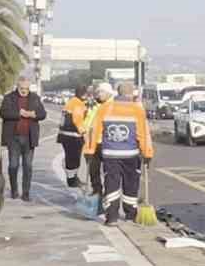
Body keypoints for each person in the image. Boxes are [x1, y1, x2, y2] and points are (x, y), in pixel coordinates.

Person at [84, 80, 154, 225]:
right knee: (131, 184)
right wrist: (147, 154)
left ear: (118, 92)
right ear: (131, 93)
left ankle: (112, 217)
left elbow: (95, 131)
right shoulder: (137, 110)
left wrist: (90, 150)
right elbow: (143, 134)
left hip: (110, 154)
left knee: (112, 184)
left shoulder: (105, 108)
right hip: (131, 154)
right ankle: (130, 214)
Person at [0, 76, 47, 202]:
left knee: (28, 166)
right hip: (13, 138)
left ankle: (26, 193)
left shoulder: (35, 98)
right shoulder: (9, 98)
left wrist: (33, 114)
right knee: (13, 165)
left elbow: (43, 114)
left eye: (26, 88)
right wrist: (18, 113)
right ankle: (14, 190)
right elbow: (3, 113)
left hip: (29, 138)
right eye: (22, 88)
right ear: (17, 87)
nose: (24, 91)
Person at [57, 87, 91, 188]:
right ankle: (72, 181)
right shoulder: (77, 104)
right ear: (84, 95)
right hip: (73, 136)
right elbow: (77, 120)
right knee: (74, 159)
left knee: (70, 158)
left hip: (65, 135)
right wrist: (84, 133)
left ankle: (72, 179)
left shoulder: (72, 102)